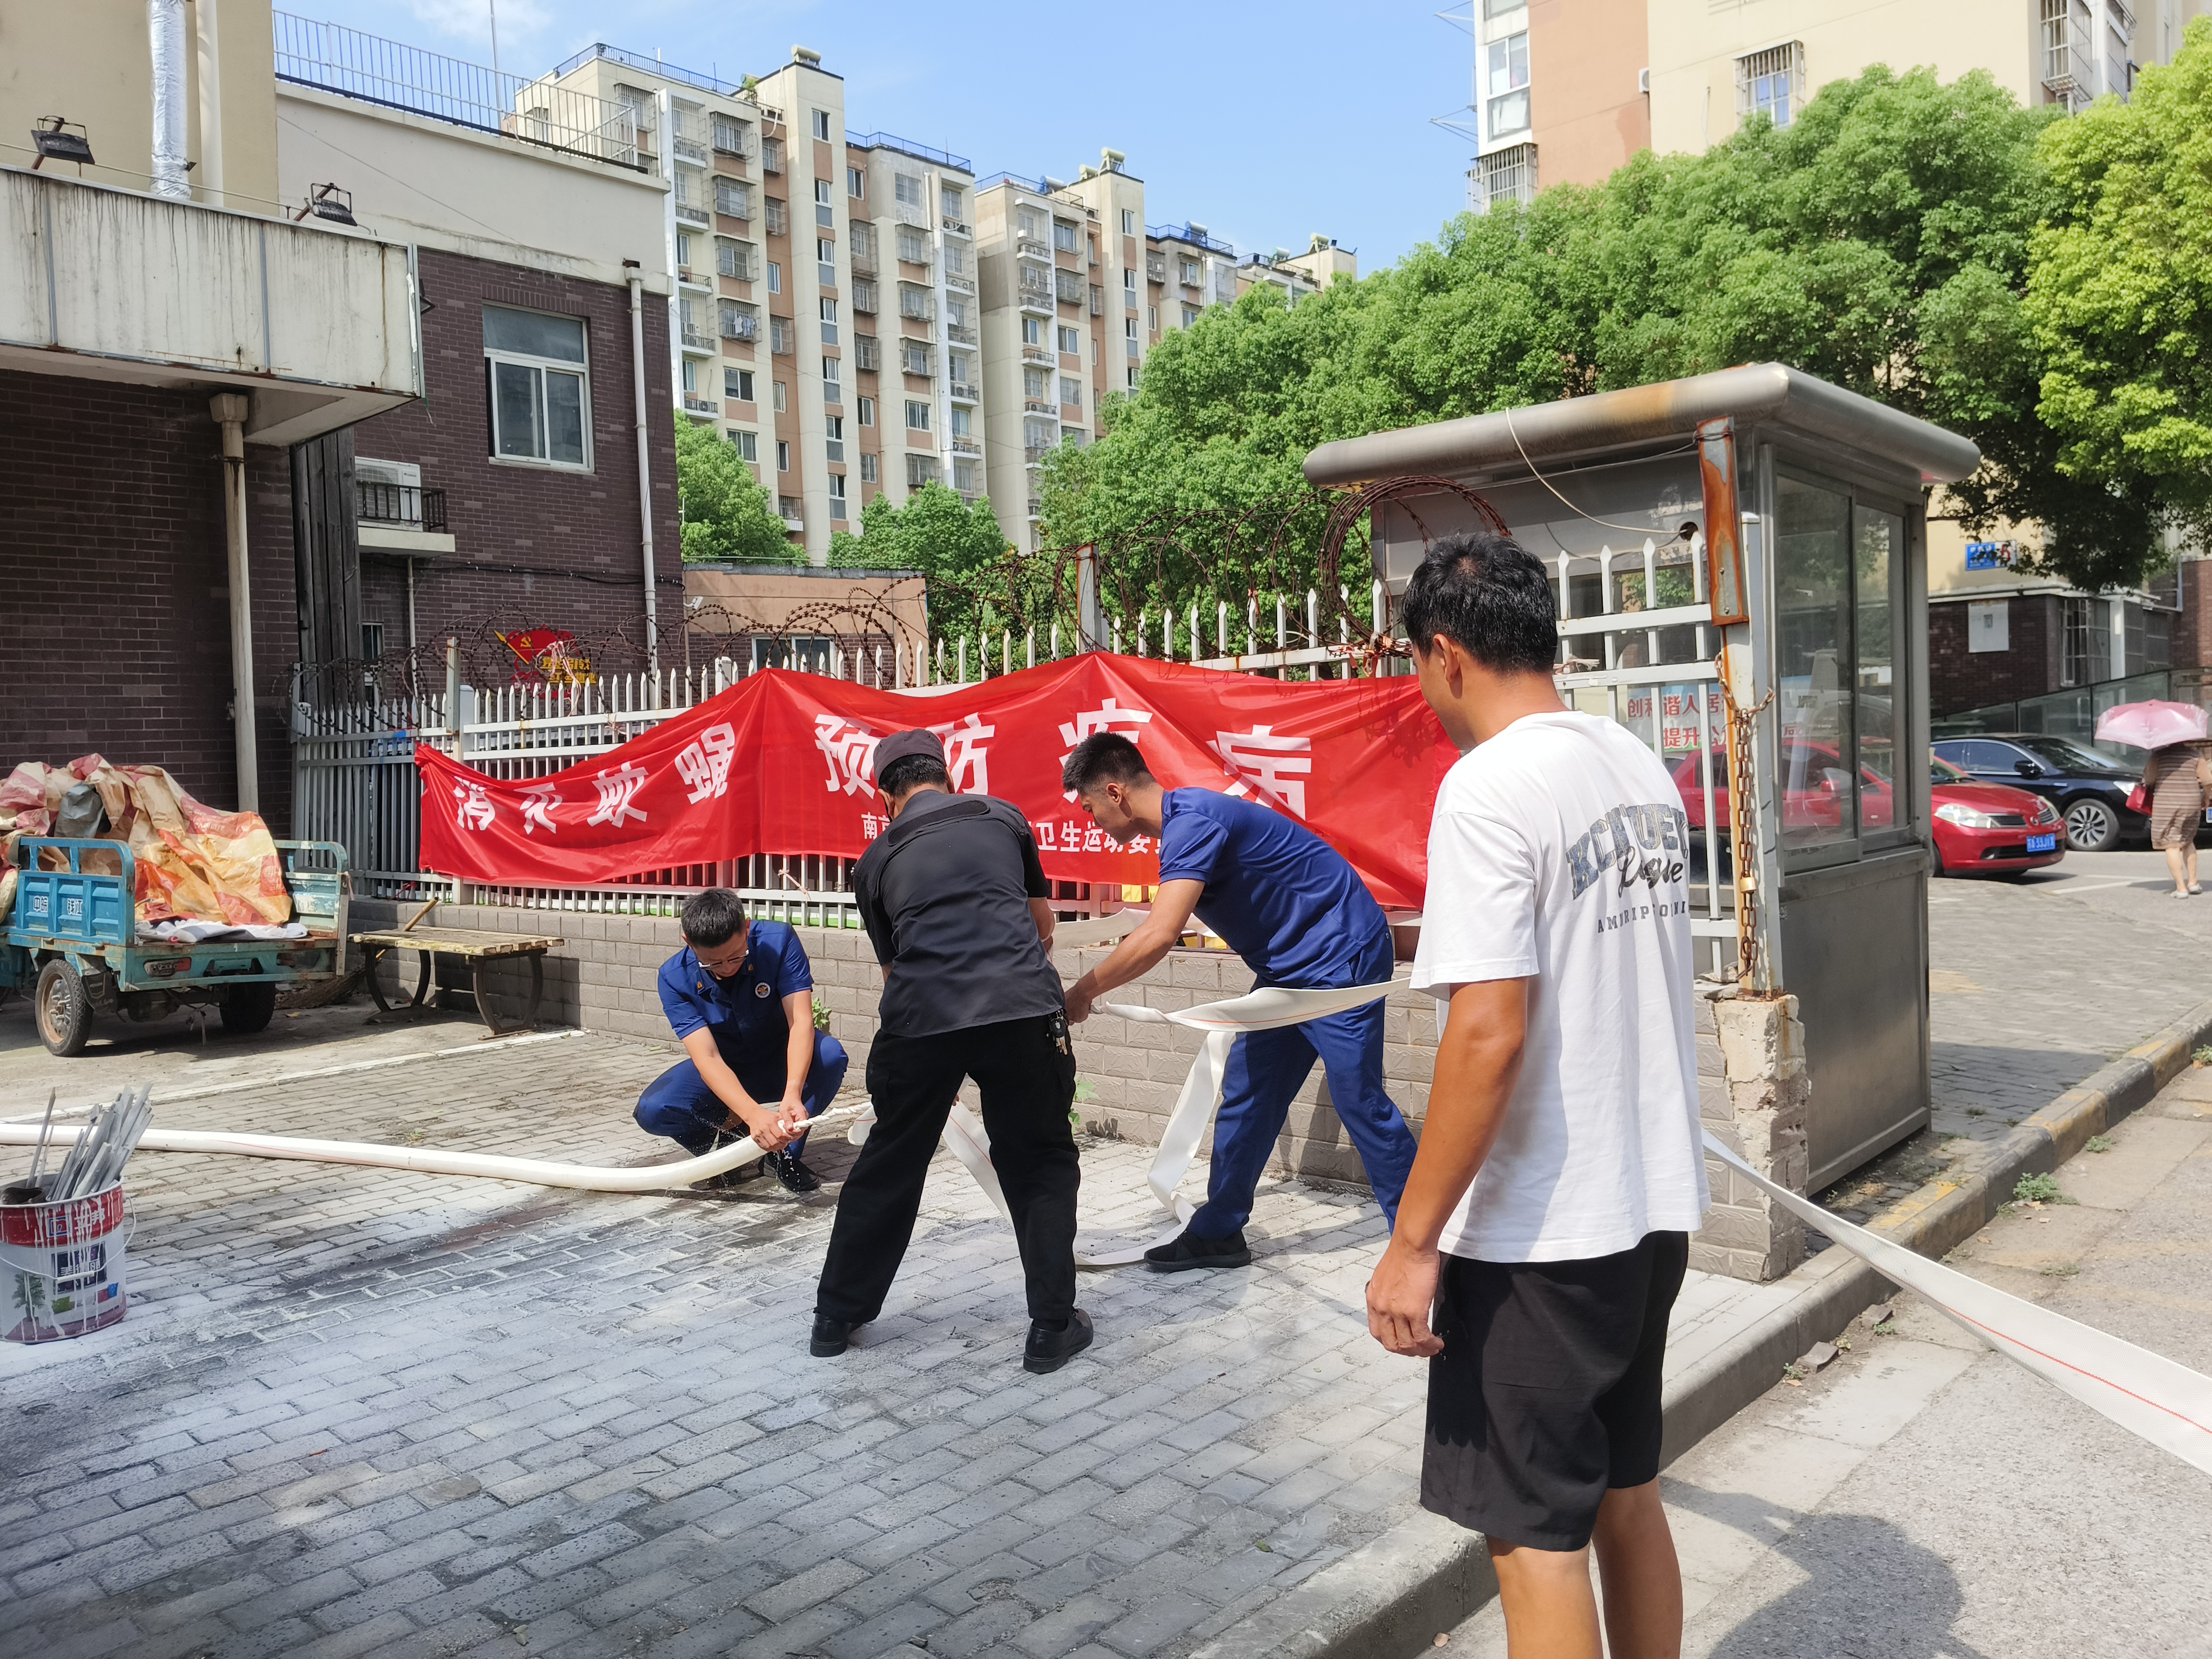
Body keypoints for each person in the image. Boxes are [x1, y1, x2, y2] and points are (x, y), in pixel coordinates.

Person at [1365, 530, 1710, 1659]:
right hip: (1648, 1211)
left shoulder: (1487, 786)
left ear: (1446, 653)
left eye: (1415, 662)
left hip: (1540, 1236)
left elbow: (1488, 1033)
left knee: (1530, 1539)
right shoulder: (1631, 761)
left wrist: (1413, 1241)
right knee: (1624, 1493)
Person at [1060, 734, 1418, 1271]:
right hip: (1288, 968)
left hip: (1340, 955)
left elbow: (1159, 935)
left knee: (1359, 1101)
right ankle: (1219, 1233)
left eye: (1090, 809)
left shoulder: (1194, 822)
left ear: (1115, 793)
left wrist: (1082, 992)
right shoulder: (1184, 823)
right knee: (1249, 1091)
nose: (1092, 822)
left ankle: (1426, 1245)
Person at [811, 729, 1091, 1374]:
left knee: (890, 1161)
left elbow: (894, 971)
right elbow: (1042, 924)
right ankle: (1051, 1328)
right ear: (948, 775)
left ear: (885, 798)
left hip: (922, 1019)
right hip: (1020, 1009)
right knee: (1039, 1159)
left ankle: (834, 1318)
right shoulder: (1003, 817)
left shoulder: (876, 858)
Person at [635, 888, 847, 1193]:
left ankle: (782, 1157)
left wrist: (793, 1092)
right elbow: (707, 1057)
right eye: (712, 964)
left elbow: (801, 1022)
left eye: (736, 956)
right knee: (655, 1108)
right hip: (727, 1065)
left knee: (830, 1054)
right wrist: (751, 1114)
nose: (727, 968)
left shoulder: (778, 942)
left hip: (780, 1059)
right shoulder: (673, 977)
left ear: (746, 928)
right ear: (688, 942)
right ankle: (729, 1148)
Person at [2141, 740, 2211, 898]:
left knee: (2171, 845)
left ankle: (2181, 889)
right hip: (2191, 803)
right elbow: (2207, 780)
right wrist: (2207, 798)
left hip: (2166, 804)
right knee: (2188, 842)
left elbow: (2149, 779)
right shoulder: (2195, 755)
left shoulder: (2158, 756)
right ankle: (2193, 883)